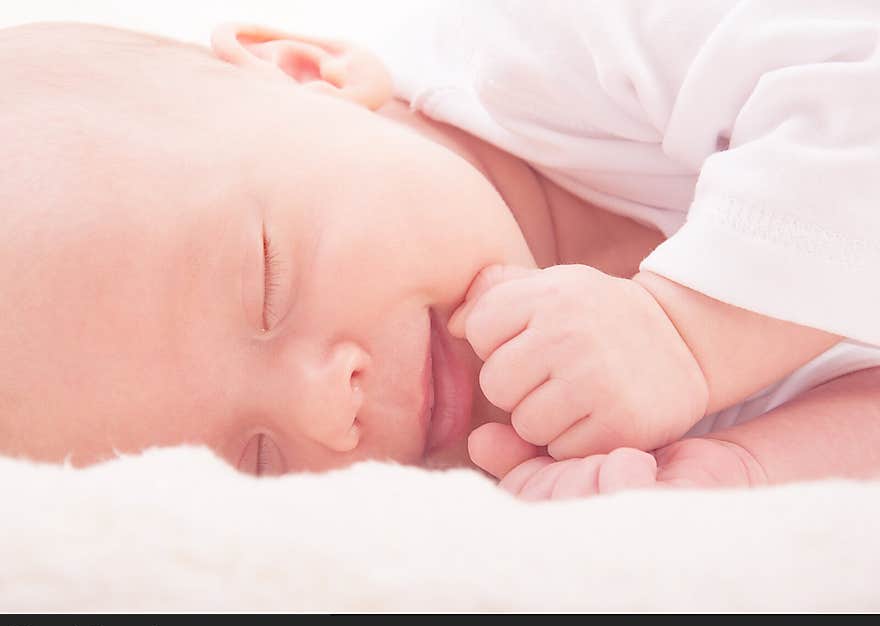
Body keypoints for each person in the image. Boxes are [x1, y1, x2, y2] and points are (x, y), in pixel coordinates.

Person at [0, 8, 877, 499]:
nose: (322, 407)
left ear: (307, 72)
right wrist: (750, 468)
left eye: (266, 282)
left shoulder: (558, 38)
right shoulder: (547, 458)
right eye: (259, 455)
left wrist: (688, 334)